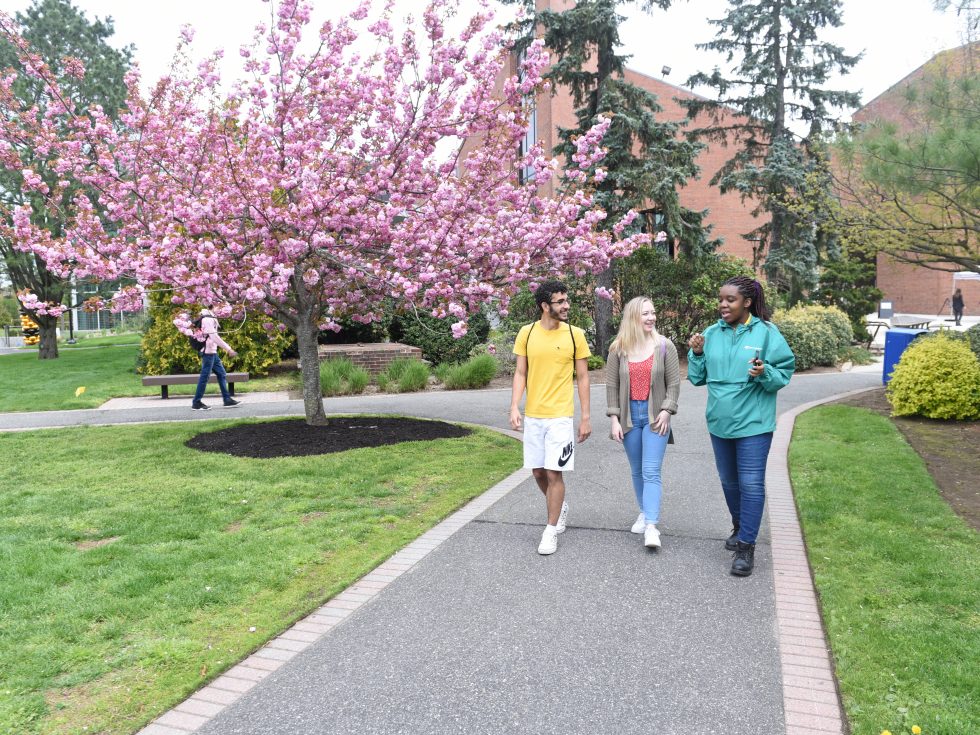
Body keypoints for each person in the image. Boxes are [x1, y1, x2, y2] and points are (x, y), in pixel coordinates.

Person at [687, 277, 795, 577]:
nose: (723, 304)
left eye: (730, 299)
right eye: (720, 299)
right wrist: (696, 354)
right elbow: (697, 378)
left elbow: (783, 372)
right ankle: (740, 526)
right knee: (729, 483)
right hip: (720, 423)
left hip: (754, 424)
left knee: (750, 484)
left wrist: (765, 372)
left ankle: (746, 546)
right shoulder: (710, 334)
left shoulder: (766, 333)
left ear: (746, 302)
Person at [510, 280, 592, 555]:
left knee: (554, 472)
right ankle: (559, 505)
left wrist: (585, 417)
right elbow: (521, 373)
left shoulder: (575, 335)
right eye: (560, 301)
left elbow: (582, 377)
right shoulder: (526, 333)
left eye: (566, 300)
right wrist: (514, 407)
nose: (567, 305)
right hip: (534, 415)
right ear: (545, 306)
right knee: (537, 472)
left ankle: (550, 530)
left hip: (560, 416)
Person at [605, 297, 680, 550]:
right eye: (645, 314)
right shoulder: (618, 349)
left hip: (654, 416)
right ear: (633, 318)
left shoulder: (663, 346)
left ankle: (651, 526)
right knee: (637, 470)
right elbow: (612, 386)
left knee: (651, 470)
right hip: (629, 417)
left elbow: (674, 384)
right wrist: (614, 419)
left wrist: (667, 410)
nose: (651, 318)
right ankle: (644, 510)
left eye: (653, 313)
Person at [192, 308, 241, 410]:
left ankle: (227, 400)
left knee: (221, 374)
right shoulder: (207, 319)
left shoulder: (211, 316)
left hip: (212, 352)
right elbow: (214, 336)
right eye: (219, 305)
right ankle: (196, 402)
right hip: (207, 353)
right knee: (204, 378)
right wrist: (228, 349)